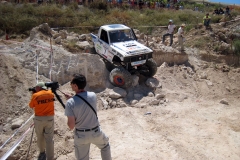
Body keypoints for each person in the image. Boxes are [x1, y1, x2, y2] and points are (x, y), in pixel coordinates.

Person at [64, 74, 112, 160]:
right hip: (96, 132)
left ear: (75, 86)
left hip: (81, 135)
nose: (70, 84)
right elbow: (83, 101)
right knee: (105, 146)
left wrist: (71, 100)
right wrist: (72, 98)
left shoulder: (70, 103)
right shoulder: (93, 95)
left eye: (71, 82)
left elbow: (71, 126)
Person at [29, 82, 55, 160]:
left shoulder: (35, 95)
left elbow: (31, 105)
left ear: (39, 88)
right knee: (49, 138)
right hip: (50, 118)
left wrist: (33, 94)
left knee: (40, 137)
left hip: (39, 119)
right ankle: (50, 157)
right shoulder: (51, 93)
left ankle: (42, 153)